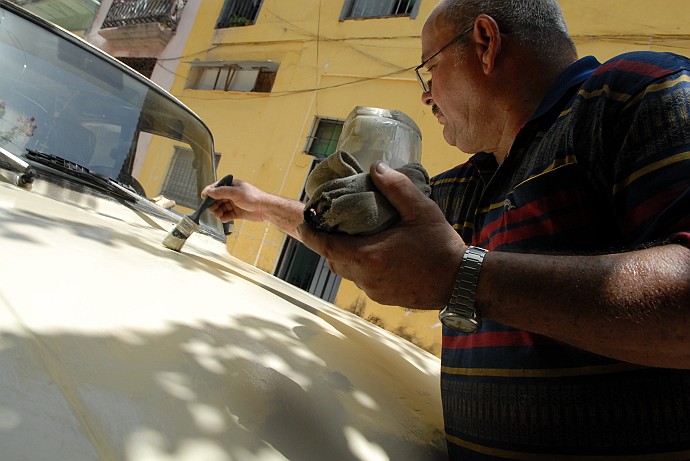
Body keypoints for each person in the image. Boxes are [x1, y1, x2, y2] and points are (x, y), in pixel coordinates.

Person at [203, 0, 690, 458]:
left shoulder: (640, 93)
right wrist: (263, 205)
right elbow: (371, 250)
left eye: (430, 67)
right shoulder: (467, 183)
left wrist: (465, 276)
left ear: (484, 42)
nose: (426, 93)